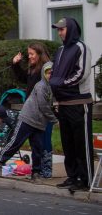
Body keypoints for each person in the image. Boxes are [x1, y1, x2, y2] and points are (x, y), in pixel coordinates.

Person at [48, 17, 94, 192]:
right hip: (64, 103)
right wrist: (56, 96)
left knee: (81, 142)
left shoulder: (81, 48)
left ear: (72, 29)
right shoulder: (60, 50)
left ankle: (86, 179)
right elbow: (55, 74)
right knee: (68, 143)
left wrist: (62, 84)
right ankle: (72, 176)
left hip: (79, 102)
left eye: (62, 29)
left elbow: (82, 73)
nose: (59, 33)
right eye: (58, 30)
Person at [0, 62, 57, 180]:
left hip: (40, 123)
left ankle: (36, 172)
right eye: (48, 73)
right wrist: (54, 119)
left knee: (37, 148)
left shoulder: (52, 88)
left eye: (53, 73)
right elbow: (43, 105)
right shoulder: (41, 86)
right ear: (44, 74)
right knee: (16, 142)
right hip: (28, 119)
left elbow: (50, 104)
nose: (50, 75)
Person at [11, 42, 53, 177]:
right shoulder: (33, 68)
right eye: (28, 54)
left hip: (43, 110)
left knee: (45, 138)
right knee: (36, 141)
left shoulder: (46, 68)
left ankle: (46, 169)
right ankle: (38, 169)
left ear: (40, 54)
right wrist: (15, 64)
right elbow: (24, 79)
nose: (29, 56)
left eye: (31, 54)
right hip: (32, 110)